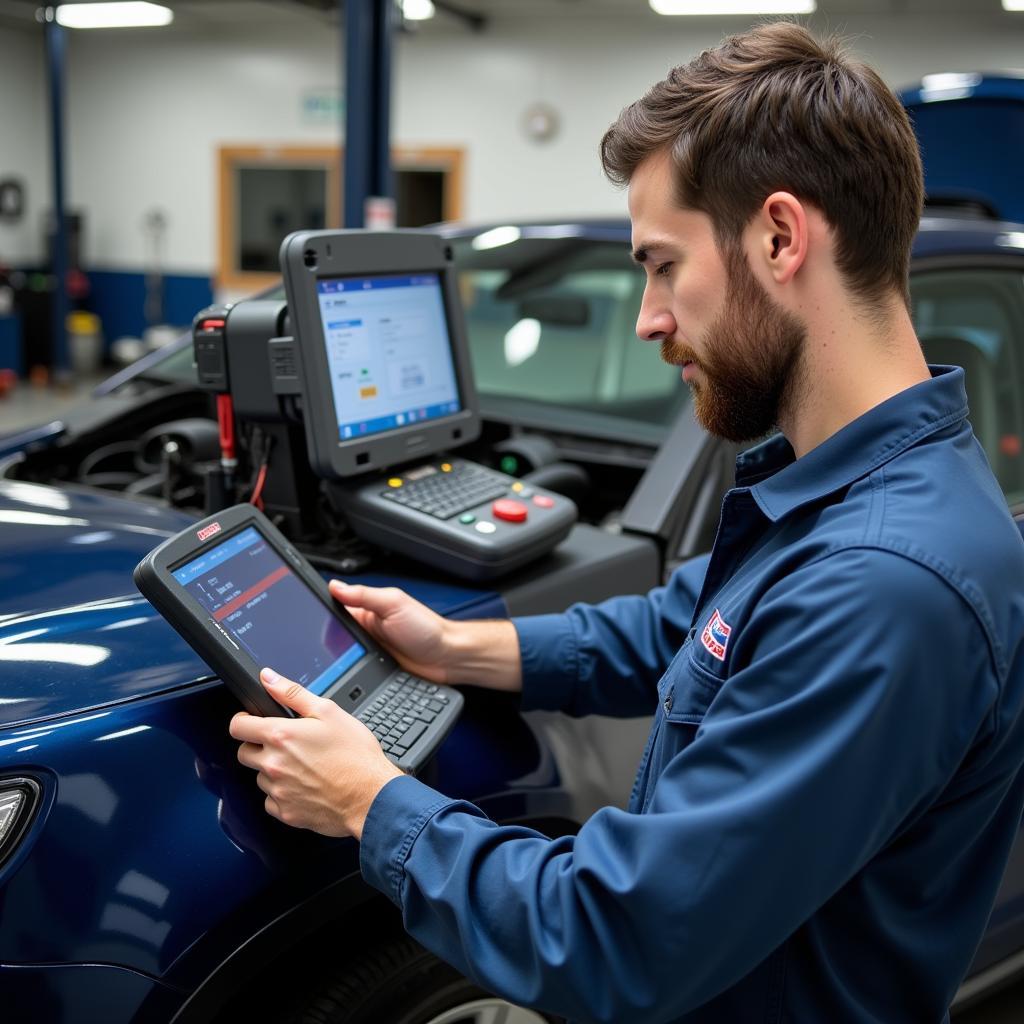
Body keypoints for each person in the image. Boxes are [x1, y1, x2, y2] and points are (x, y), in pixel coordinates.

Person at [229, 22, 1024, 1022]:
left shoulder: (886, 581)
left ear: (781, 237)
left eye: (660, 264)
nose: (647, 316)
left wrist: (369, 802)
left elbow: (624, 935)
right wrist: (458, 645)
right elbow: (681, 626)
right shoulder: (842, 494)